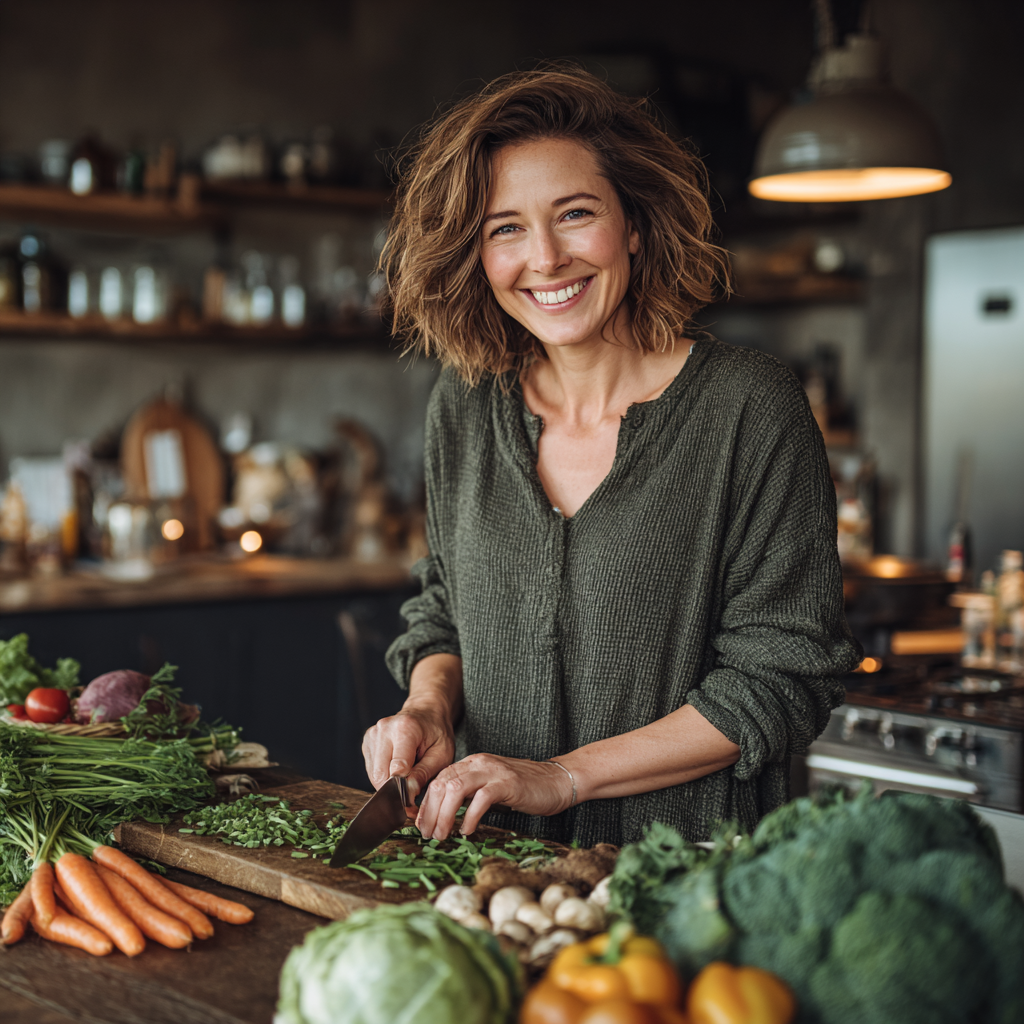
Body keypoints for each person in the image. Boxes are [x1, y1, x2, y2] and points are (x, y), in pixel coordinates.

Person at [364, 67, 861, 849]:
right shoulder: (463, 405)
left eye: (576, 214)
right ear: (476, 253)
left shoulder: (747, 407)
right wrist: (428, 706)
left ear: (634, 223)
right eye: (506, 228)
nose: (547, 257)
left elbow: (783, 673)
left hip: (685, 879)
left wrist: (560, 778)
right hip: (496, 877)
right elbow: (444, 609)